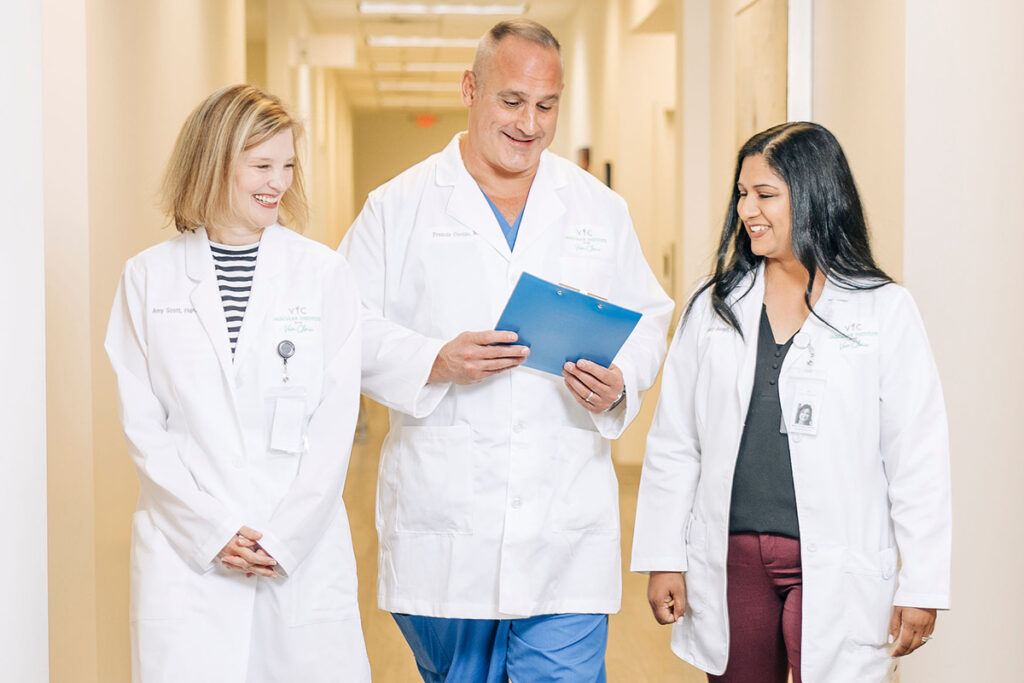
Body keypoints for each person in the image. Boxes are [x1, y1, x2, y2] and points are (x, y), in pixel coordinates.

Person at [340, 18, 673, 682]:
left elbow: (649, 317)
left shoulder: (596, 208)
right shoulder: (398, 207)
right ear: (471, 89)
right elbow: (342, 328)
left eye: (546, 105)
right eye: (511, 101)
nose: (530, 123)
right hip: (448, 525)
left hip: (563, 520)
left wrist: (622, 381)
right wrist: (434, 359)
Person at [631, 122, 951, 682]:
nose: (746, 209)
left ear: (813, 195)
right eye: (742, 193)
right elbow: (675, 442)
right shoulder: (714, 307)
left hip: (836, 557)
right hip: (734, 558)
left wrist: (922, 583)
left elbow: (917, 458)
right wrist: (664, 557)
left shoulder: (883, 310)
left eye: (765, 194)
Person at [105, 84, 370, 682]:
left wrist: (283, 535)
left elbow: (335, 422)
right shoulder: (148, 278)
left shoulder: (323, 273)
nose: (278, 182)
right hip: (187, 558)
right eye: (261, 166)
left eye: (287, 166)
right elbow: (144, 429)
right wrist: (213, 531)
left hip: (299, 553)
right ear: (213, 163)